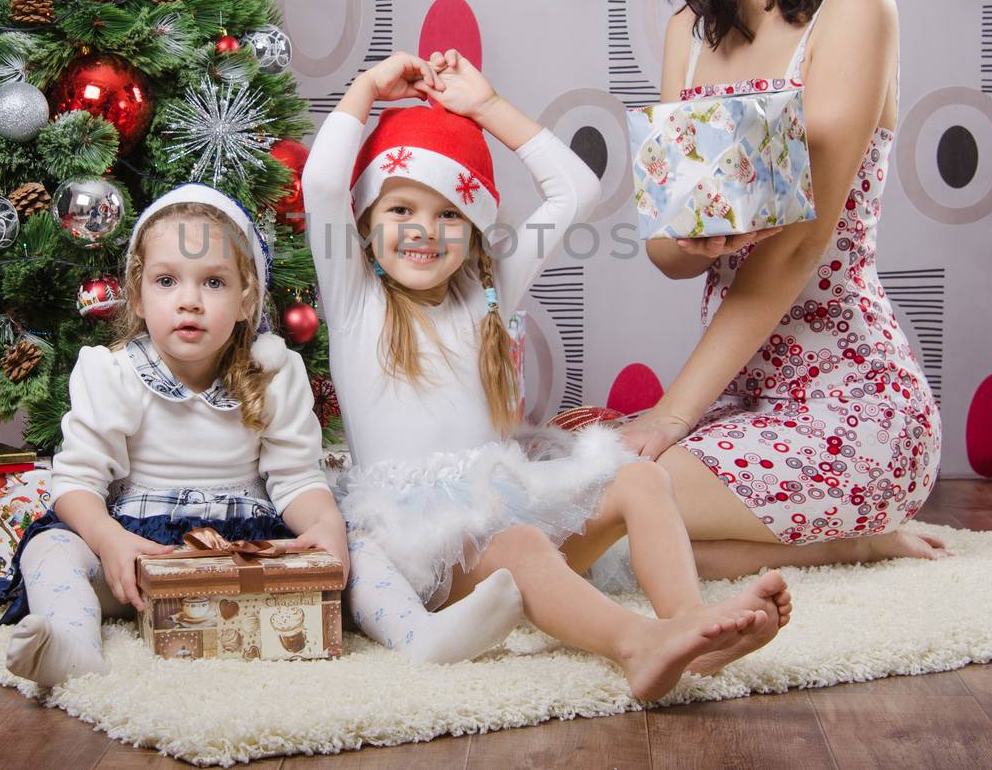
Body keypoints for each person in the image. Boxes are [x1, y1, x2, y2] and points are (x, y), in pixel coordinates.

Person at [304, 50, 789, 698]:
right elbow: (322, 184)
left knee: (641, 479)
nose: (424, 230)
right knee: (522, 544)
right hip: (419, 544)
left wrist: (485, 106)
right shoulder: (357, 301)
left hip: (501, 503)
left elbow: (576, 189)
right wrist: (366, 87)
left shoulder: (487, 289)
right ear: (365, 225)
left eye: (449, 214)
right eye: (400, 211)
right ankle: (635, 644)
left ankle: (688, 629)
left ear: (474, 230)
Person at [620, 0, 945, 578]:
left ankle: (858, 528)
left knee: (615, 500)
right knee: (604, 514)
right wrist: (694, 244)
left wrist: (670, 413)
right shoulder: (687, 34)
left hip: (853, 401)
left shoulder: (855, 9)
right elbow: (664, 245)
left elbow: (797, 250)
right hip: (741, 395)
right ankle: (846, 544)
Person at [0, 183, 348, 686]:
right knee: (48, 550)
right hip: (138, 554)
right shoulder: (113, 372)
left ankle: (415, 634)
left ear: (247, 299)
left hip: (241, 552)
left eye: (214, 283)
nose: (190, 302)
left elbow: (295, 478)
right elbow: (77, 484)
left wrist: (326, 526)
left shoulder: (272, 369)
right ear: (137, 294)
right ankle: (72, 644)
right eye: (166, 281)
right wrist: (110, 540)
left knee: (351, 542)